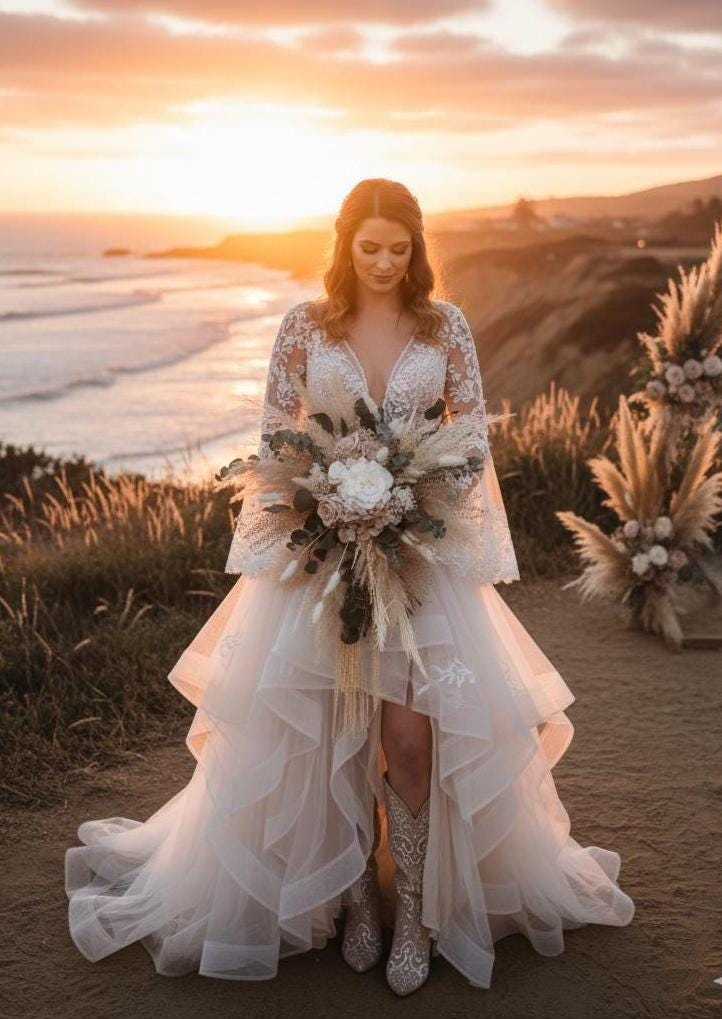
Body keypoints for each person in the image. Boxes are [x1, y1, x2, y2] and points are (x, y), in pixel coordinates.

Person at [65, 178, 635, 996]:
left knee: (408, 740)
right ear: (345, 246)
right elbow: (274, 432)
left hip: (421, 559)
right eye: (368, 248)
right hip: (320, 558)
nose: (383, 262)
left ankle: (414, 909)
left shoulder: (447, 326)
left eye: (398, 249)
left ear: (416, 248)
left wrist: (412, 499)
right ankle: (355, 896)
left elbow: (471, 432)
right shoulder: (305, 324)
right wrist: (325, 500)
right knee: (330, 733)